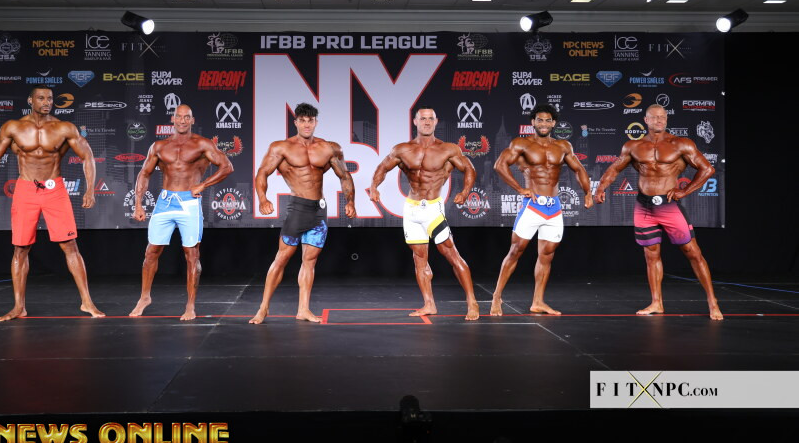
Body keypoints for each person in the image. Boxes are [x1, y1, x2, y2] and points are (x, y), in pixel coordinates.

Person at [0, 86, 104, 321]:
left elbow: (87, 155)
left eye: (49, 98)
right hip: (26, 189)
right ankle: (19, 306)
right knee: (20, 248)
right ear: (31, 100)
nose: (46, 102)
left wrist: (90, 189)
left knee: (70, 245)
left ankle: (87, 302)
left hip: (54, 188)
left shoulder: (64, 128)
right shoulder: (13, 127)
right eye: (41, 98)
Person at [595, 104, 723, 320]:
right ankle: (656, 302)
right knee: (651, 254)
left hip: (669, 205)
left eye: (662, 117)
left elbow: (707, 168)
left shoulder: (680, 144)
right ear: (646, 120)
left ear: (667, 119)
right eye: (654, 117)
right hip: (644, 206)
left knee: (693, 252)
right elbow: (614, 168)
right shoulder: (633, 146)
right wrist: (600, 188)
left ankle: (712, 302)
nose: (659, 120)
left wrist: (685, 190)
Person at [369, 107, 480, 321]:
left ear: (436, 122)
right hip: (411, 209)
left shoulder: (448, 149)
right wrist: (374, 187)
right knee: (419, 258)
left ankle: (472, 302)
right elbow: (382, 167)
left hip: (432, 209)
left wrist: (465, 192)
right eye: (423, 119)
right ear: (415, 121)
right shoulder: (402, 149)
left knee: (451, 254)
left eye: (430, 119)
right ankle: (429, 303)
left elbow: (469, 169)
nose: (427, 122)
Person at [249, 103, 356, 324]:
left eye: (311, 121)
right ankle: (263, 308)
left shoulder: (329, 148)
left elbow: (344, 175)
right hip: (298, 209)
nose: (307, 125)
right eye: (303, 121)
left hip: (319, 212)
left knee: (310, 261)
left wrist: (350, 201)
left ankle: (303, 309)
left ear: (316, 122)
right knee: (282, 259)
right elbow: (262, 172)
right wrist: (262, 199)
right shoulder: (281, 147)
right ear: (296, 122)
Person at [129, 104, 233, 320]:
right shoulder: (159, 146)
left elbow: (227, 166)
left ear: (192, 120)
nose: (183, 121)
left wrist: (203, 185)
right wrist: (138, 203)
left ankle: (190, 306)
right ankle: (144, 297)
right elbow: (144, 173)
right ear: (173, 119)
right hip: (164, 202)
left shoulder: (202, 144)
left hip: (189, 203)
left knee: (192, 255)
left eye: (187, 117)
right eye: (179, 117)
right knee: (151, 252)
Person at [491, 104, 593, 316]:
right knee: (515, 251)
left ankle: (538, 302)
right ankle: (497, 297)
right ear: (533, 122)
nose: (544, 124)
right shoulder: (522, 144)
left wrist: (588, 193)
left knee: (547, 255)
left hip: (554, 207)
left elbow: (579, 169)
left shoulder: (563, 146)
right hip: (532, 206)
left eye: (548, 120)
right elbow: (499, 165)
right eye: (540, 120)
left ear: (553, 123)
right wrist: (520, 189)